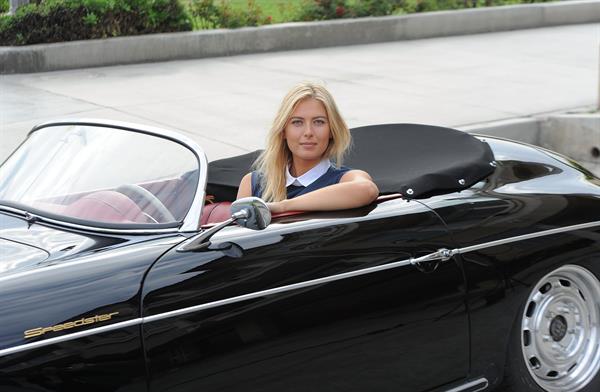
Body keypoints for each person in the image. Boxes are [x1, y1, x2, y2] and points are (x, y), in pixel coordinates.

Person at [237, 82, 379, 213]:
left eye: (319, 122)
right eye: (297, 122)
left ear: (332, 130)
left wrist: (282, 206)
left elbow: (367, 189)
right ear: (283, 131)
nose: (308, 132)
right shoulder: (252, 182)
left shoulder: (345, 178)